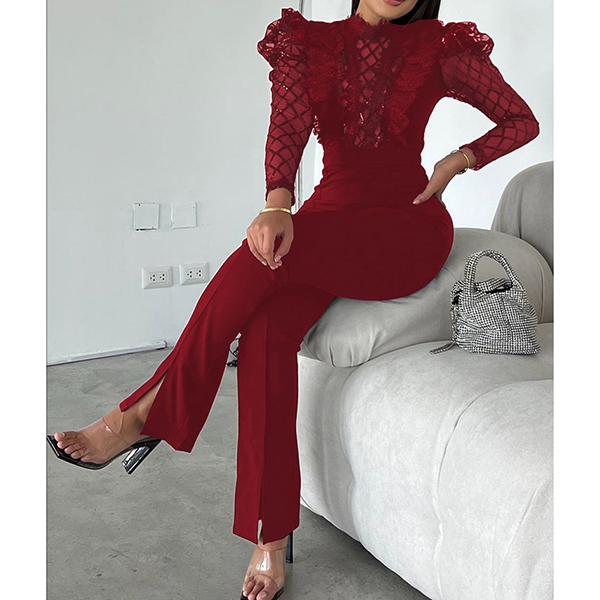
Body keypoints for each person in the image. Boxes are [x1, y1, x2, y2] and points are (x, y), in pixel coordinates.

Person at [47, 1, 540, 599]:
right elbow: (287, 131)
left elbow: (520, 119)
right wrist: (277, 204)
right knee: (264, 332)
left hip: (405, 229)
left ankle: (144, 412)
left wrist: (457, 161)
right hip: (327, 219)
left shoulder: (439, 48)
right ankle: (271, 532)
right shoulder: (309, 44)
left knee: (258, 264)